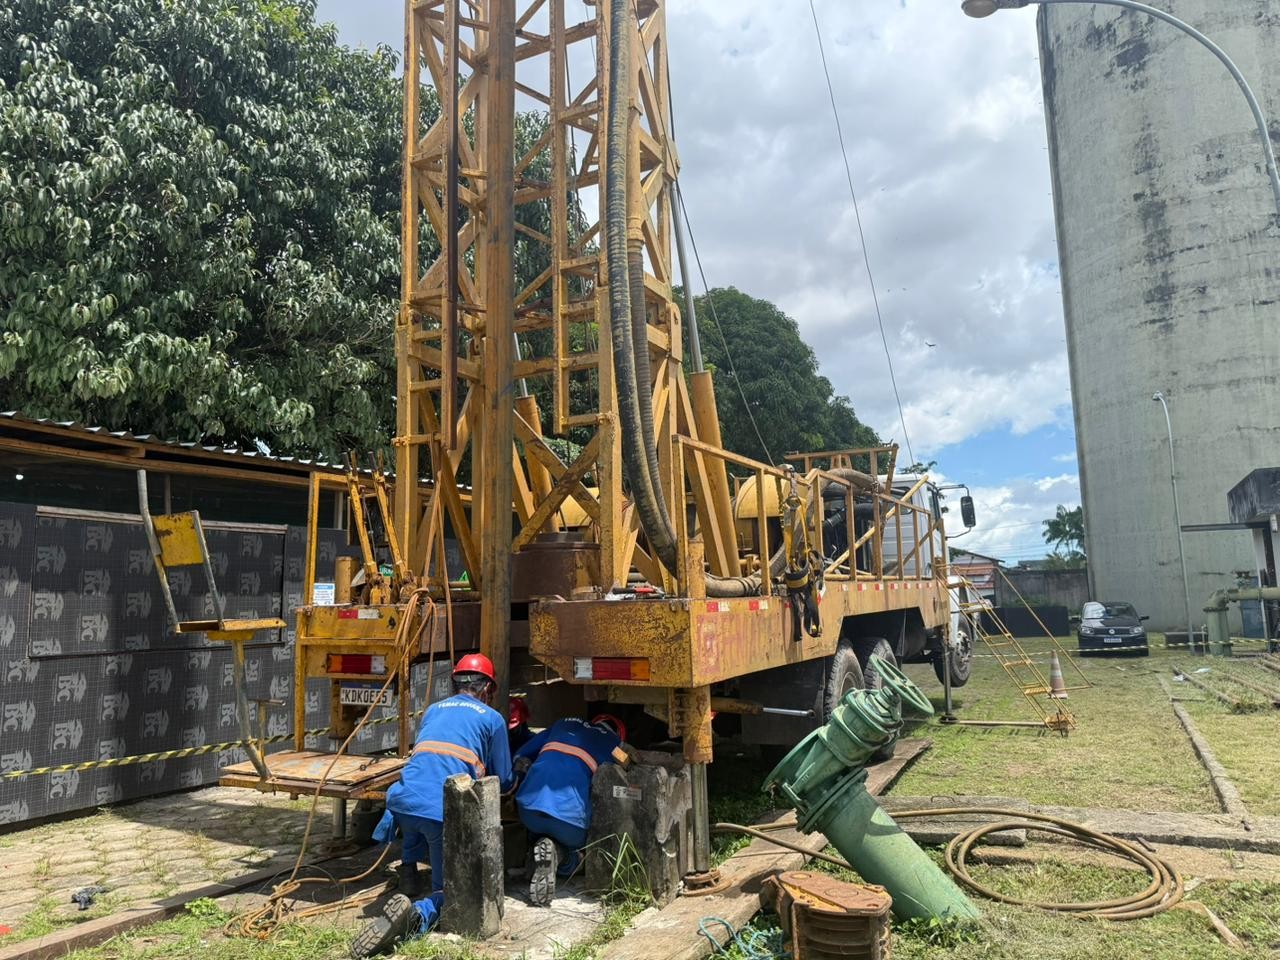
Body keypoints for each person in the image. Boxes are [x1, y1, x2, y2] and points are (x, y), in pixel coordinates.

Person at [351, 654, 513, 959]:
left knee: (414, 819)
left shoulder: (432, 710)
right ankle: (418, 914)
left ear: (455, 683)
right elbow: (502, 779)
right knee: (448, 892)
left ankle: (408, 872)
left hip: (400, 800)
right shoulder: (492, 718)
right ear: (487, 689)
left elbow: (428, 761)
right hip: (439, 813)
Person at [513, 714, 626, 906]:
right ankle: (563, 858)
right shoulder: (613, 743)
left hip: (527, 809)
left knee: (540, 826)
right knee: (585, 854)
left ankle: (536, 848)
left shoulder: (562, 723)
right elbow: (625, 774)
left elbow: (520, 754)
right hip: (569, 824)